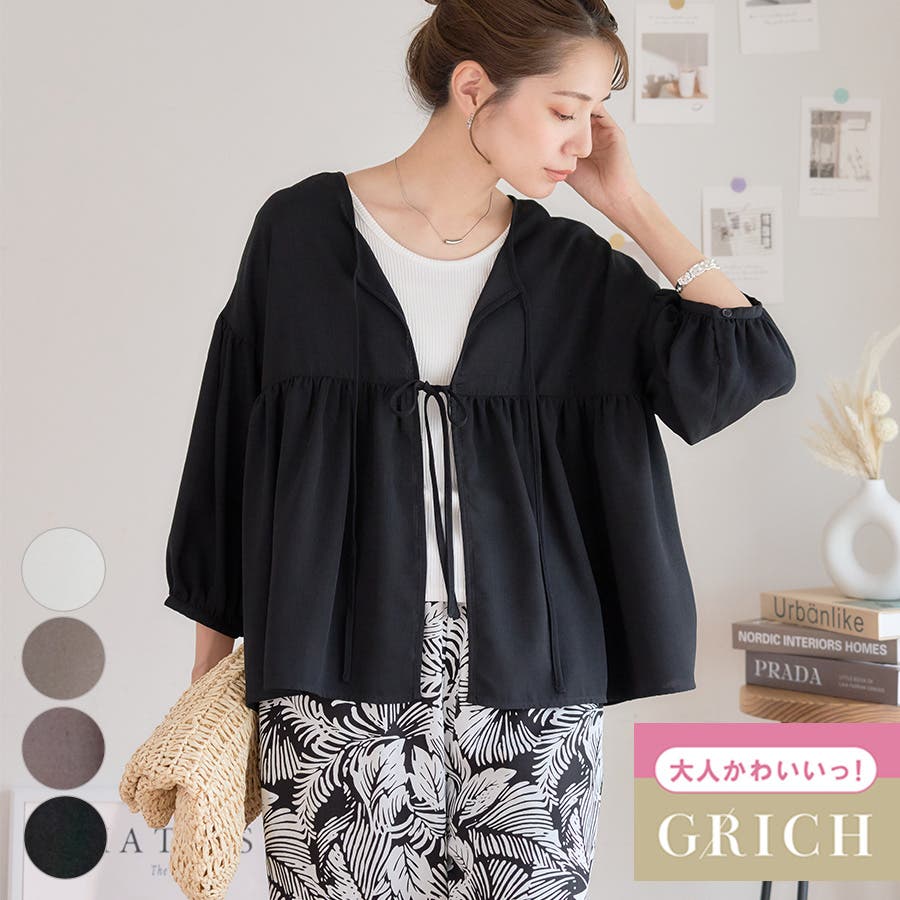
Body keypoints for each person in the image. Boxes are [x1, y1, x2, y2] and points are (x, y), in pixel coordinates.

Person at [167, 1, 796, 896]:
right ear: (473, 87)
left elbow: (748, 364)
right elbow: (227, 448)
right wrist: (213, 681)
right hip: (331, 671)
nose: (583, 140)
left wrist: (630, 204)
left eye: (595, 114)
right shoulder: (299, 235)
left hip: (534, 679)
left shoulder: (573, 269)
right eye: (564, 109)